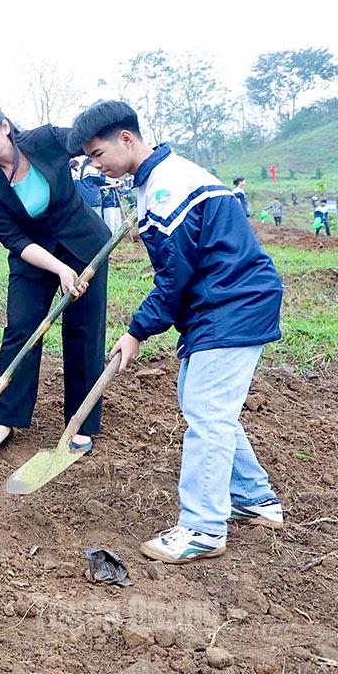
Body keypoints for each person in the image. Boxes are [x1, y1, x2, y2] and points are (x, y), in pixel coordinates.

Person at [71, 100, 283, 565]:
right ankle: (254, 497)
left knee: (207, 411)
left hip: (232, 301)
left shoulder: (167, 186)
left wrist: (136, 331)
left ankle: (204, 528)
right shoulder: (154, 182)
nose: (96, 164)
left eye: (97, 152)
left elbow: (174, 276)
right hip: (219, 301)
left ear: (126, 139)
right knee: (202, 402)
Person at [0, 101, 111, 455]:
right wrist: (58, 269)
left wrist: (120, 155)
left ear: (5, 126)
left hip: (83, 243)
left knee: (84, 332)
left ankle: (81, 423)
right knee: (21, 329)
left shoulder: (44, 140)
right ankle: (4, 420)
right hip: (33, 257)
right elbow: (13, 238)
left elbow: (84, 138)